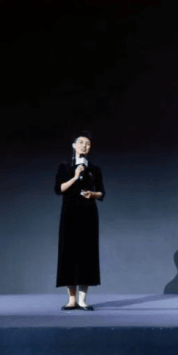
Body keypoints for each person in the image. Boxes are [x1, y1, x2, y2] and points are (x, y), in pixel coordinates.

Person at [54, 131, 105, 311]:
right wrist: (75, 177)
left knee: (87, 255)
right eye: (81, 142)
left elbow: (102, 193)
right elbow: (59, 189)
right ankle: (71, 299)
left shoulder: (95, 169)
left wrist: (92, 194)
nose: (84, 146)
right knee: (68, 254)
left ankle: (83, 299)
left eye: (88, 144)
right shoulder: (65, 167)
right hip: (69, 214)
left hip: (88, 215)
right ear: (74, 146)